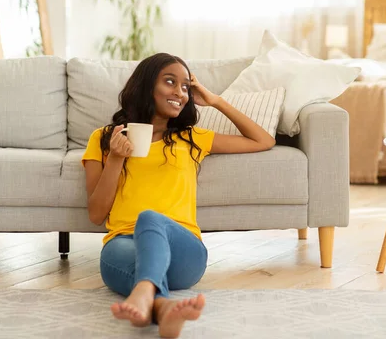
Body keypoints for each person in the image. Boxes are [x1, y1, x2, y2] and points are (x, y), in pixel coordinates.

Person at [81, 53, 275, 338]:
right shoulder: (104, 138)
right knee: (138, 247)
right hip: (124, 246)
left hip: (184, 253)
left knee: (150, 219)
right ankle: (161, 307)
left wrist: (215, 101)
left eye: (185, 87)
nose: (180, 93)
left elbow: (263, 140)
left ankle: (145, 292)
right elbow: (97, 214)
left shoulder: (191, 138)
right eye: (170, 82)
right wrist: (116, 159)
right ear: (147, 86)